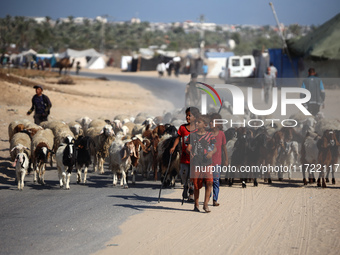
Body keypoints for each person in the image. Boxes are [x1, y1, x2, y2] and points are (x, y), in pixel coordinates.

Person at [187, 114, 216, 213]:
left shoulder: (210, 135)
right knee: (196, 185)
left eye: (199, 122)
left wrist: (211, 152)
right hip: (196, 163)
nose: (196, 123)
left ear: (205, 124)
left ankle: (205, 204)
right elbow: (188, 147)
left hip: (207, 163)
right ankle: (196, 204)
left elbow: (214, 147)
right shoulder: (192, 135)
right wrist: (190, 152)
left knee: (209, 183)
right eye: (196, 122)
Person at [170, 107, 200, 202]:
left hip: (195, 158)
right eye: (186, 115)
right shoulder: (182, 128)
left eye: (189, 115)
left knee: (192, 176)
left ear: (195, 117)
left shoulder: (198, 129)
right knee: (184, 174)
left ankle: (191, 194)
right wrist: (173, 147)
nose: (187, 117)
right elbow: (178, 138)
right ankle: (185, 186)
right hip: (184, 157)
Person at [209, 112, 228, 207]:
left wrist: (226, 160)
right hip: (207, 163)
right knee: (208, 181)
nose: (211, 124)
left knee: (216, 181)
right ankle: (207, 197)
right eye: (210, 122)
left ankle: (214, 199)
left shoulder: (221, 134)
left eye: (213, 122)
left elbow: (224, 147)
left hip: (217, 162)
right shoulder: (207, 133)